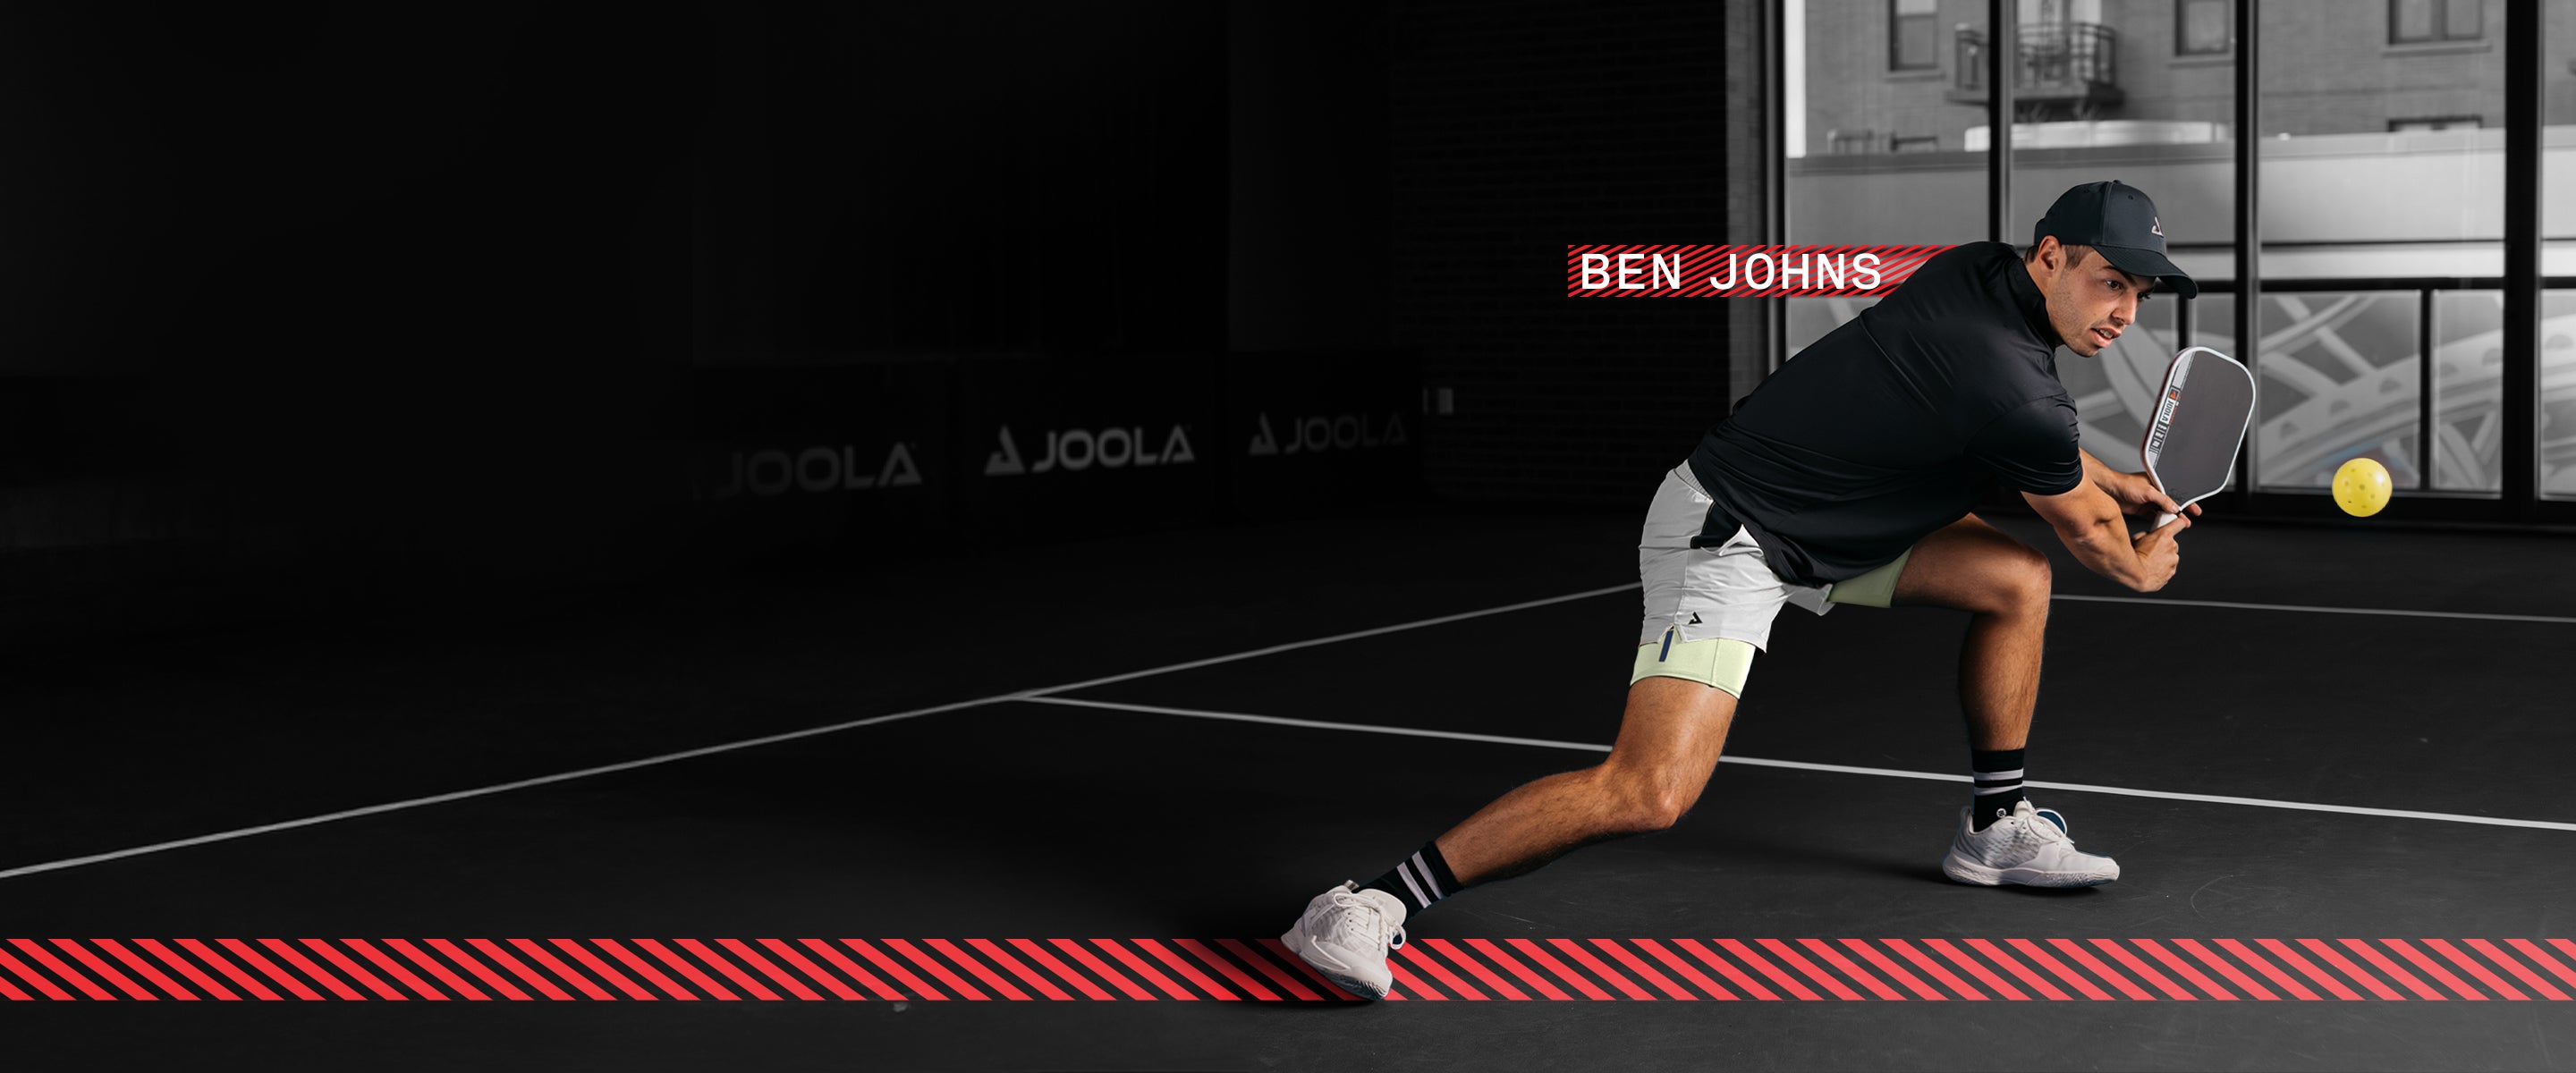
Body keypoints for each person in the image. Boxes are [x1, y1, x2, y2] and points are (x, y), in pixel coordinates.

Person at [1281, 180, 2207, 1001]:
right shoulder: (2018, 387)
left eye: (2140, 290)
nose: (2125, 310)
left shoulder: (1980, 273)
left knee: (2013, 578)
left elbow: (2029, 445)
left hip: (1840, 522)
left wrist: (2119, 483)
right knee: (1650, 790)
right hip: (1735, 530)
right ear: (2049, 257)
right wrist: (2143, 556)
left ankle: (1996, 826)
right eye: (2109, 281)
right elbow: (2106, 548)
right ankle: (1367, 902)